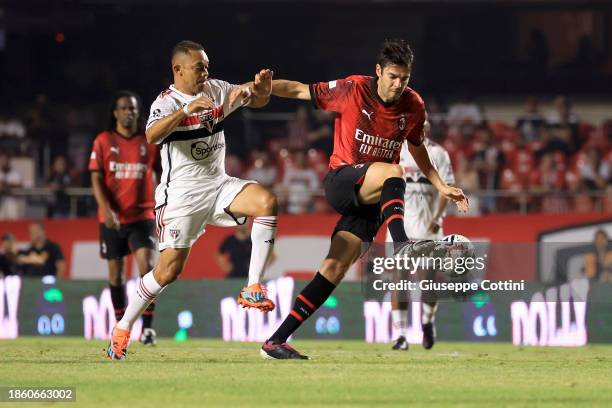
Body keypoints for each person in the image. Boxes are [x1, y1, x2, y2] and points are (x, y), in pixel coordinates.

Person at [260, 39, 468, 359]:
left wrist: (440, 185)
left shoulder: (413, 105)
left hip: (372, 198)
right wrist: (260, 87)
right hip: (342, 181)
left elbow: (417, 147)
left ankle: (276, 340)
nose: (398, 84)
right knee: (393, 171)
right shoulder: (353, 89)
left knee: (334, 268)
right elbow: (301, 90)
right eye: (393, 77)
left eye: (404, 78)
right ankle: (401, 245)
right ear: (378, 71)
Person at [107, 40, 276, 360]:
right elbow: (152, 135)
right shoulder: (167, 102)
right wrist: (185, 111)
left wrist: (262, 90)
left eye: (207, 66)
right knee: (168, 272)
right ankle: (123, 326)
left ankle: (253, 286)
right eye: (200, 67)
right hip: (181, 198)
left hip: (219, 185)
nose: (206, 72)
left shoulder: (215, 89)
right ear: (178, 70)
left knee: (266, 201)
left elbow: (252, 98)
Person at [89, 90, 161, 346]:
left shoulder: (149, 142)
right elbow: (96, 178)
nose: (128, 112)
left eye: (132, 108)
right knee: (116, 275)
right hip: (112, 218)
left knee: (148, 269)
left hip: (142, 216)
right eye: (123, 108)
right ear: (115, 112)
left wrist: (165, 205)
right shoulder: (103, 141)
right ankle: (122, 327)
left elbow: (162, 175)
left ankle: (148, 329)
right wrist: (106, 210)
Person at [387, 115, 455, 351]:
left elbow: (447, 188)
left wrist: (438, 218)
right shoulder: (395, 152)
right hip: (401, 227)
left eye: (422, 126)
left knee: (429, 282)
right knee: (400, 280)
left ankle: (427, 321)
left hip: (429, 228)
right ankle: (402, 335)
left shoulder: (439, 154)